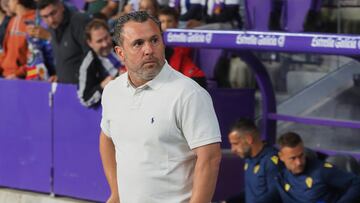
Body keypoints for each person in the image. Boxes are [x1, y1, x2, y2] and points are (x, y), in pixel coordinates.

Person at [99, 11, 222, 203]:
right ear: (120, 52)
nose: (149, 49)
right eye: (138, 43)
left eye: (154, 40)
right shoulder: (112, 91)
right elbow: (106, 139)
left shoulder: (189, 94)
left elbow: (210, 158)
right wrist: (116, 193)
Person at [276, 132, 360, 203]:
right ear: (281, 157)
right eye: (293, 158)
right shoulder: (280, 176)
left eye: (301, 155)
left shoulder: (321, 171)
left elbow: (356, 183)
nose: (298, 162)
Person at [223, 118, 282, 203]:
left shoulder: (271, 161)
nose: (233, 149)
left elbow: (275, 195)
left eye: (235, 144)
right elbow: (251, 192)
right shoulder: (249, 159)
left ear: (249, 139)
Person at [38, 0, 90, 84]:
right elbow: (65, 56)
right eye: (45, 16)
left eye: (53, 13)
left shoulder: (79, 22)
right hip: (65, 86)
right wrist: (60, 76)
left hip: (85, 87)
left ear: (61, 7)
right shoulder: (52, 26)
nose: (51, 20)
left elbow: (91, 55)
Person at [77, 19, 123, 108]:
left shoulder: (122, 42)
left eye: (106, 38)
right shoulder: (87, 65)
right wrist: (102, 87)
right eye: (99, 41)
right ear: (90, 43)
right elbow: (85, 100)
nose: (105, 44)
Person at [159, 6, 207, 88]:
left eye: (169, 21)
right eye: (163, 21)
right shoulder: (156, 40)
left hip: (188, 78)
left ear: (176, 23)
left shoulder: (184, 39)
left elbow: (176, 65)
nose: (166, 25)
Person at [0, 0, 36, 79]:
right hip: (5, 75)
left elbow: (36, 60)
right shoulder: (12, 20)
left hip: (19, 78)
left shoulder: (35, 20)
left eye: (9, 0)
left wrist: (18, 74)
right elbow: (5, 52)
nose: (7, 3)